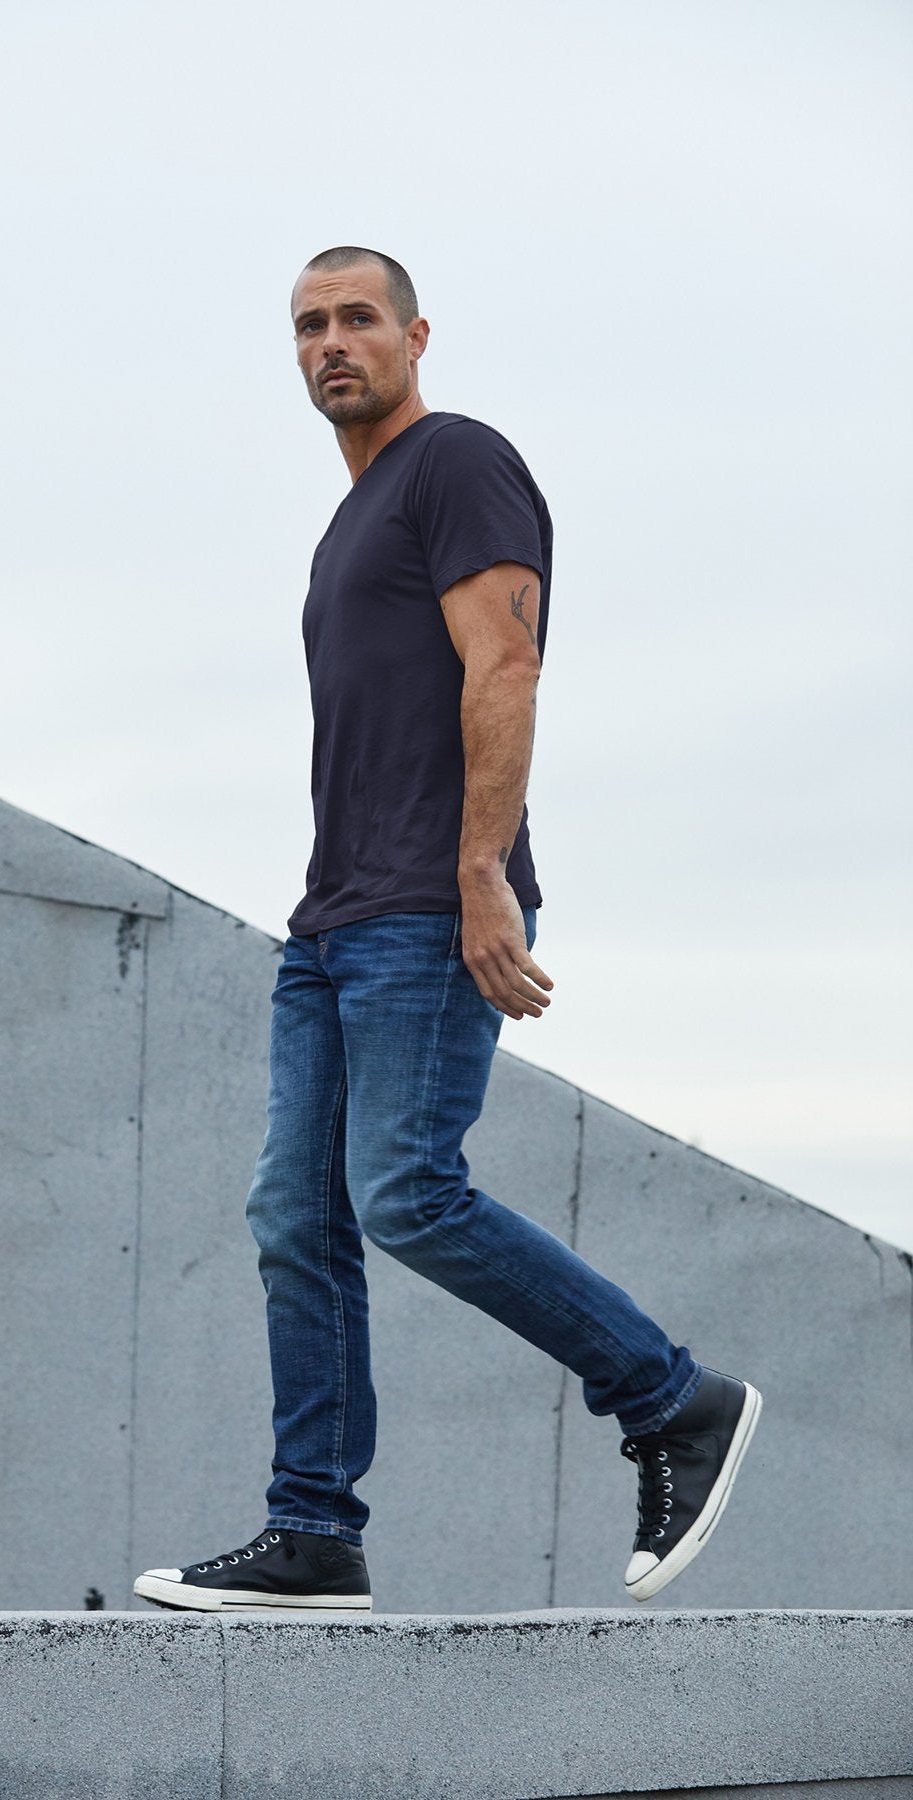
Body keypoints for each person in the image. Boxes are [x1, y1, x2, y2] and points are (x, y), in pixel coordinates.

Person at [134, 246, 760, 1614]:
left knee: (407, 1190)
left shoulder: (456, 461)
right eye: (308, 326)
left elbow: (509, 660)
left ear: (417, 335)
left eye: (357, 319)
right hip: (334, 919)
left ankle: (671, 1398)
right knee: (295, 1212)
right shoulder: (347, 520)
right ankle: (314, 1531)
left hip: (428, 901)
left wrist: (481, 867)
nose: (331, 344)